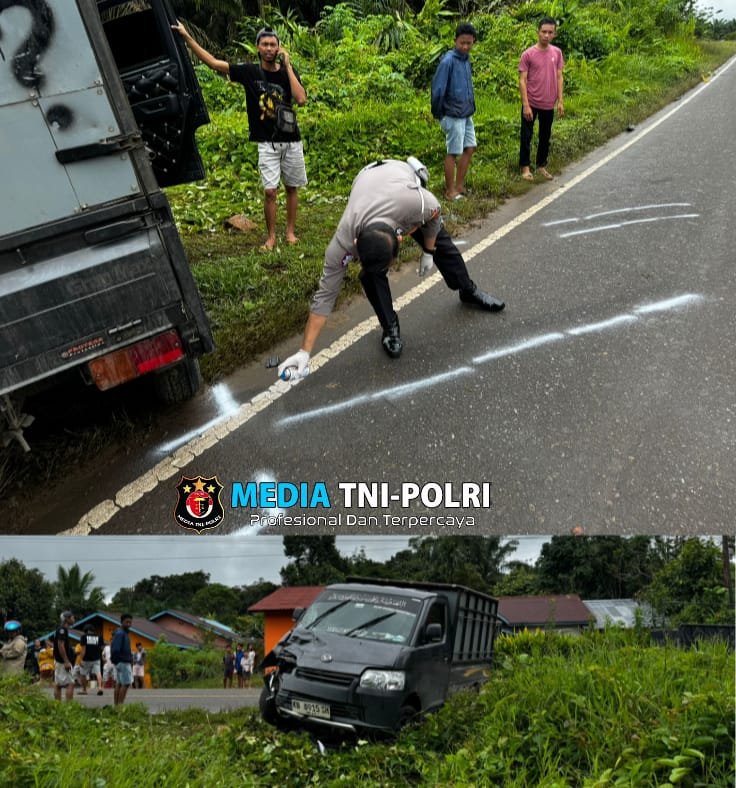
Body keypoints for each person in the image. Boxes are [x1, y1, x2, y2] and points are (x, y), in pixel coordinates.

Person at [277, 157, 504, 375]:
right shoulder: (341, 244)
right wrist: (304, 352)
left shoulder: (417, 205)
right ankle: (390, 327)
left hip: (399, 183)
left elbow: (434, 214)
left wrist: (428, 251)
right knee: (370, 276)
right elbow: (324, 297)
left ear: (402, 237)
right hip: (367, 181)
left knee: (444, 247)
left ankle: (467, 289)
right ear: (355, 245)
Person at [172, 23, 307, 250]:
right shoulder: (250, 72)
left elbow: (301, 99)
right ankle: (272, 237)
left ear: (279, 48)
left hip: (291, 140)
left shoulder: (287, 73)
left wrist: (289, 66)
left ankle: (290, 233)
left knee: (292, 187)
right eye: (264, 44)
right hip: (267, 143)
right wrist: (187, 36)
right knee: (270, 191)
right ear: (257, 47)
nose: (269, 48)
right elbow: (214, 63)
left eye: (273, 45)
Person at [431, 22, 478, 201]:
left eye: (469, 43)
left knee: (470, 147)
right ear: (455, 41)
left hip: (466, 113)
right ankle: (450, 191)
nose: (465, 47)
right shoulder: (448, 61)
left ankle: (459, 186)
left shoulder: (466, 60)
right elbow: (438, 90)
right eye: (462, 43)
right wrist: (439, 114)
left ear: (473, 41)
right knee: (453, 152)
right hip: (452, 114)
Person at [518, 16, 565, 182]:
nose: (546, 35)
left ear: (554, 34)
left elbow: (559, 77)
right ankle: (525, 167)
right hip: (531, 102)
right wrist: (526, 105)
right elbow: (522, 80)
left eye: (550, 32)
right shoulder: (528, 54)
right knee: (526, 136)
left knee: (545, 136)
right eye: (544, 32)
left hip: (548, 103)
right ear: (537, 32)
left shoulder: (557, 53)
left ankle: (541, 165)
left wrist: (560, 101)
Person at [110, 613, 134, 706]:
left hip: (120, 661)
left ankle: (116, 706)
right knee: (126, 683)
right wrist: (117, 660)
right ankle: (120, 706)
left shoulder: (121, 633)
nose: (129, 624)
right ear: (121, 622)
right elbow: (115, 649)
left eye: (130, 622)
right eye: (126, 622)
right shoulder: (121, 633)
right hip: (123, 661)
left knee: (119, 684)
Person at [52, 611, 76, 702]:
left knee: (58, 684)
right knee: (70, 683)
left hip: (59, 660)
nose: (74, 619)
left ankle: (57, 706)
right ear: (67, 619)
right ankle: (69, 707)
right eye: (72, 617)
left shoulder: (60, 629)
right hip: (62, 661)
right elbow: (60, 645)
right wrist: (66, 661)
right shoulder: (62, 630)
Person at [79, 625, 104, 696]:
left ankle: (84, 690)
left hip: (86, 659)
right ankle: (100, 688)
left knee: (83, 674)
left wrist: (80, 659)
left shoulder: (84, 637)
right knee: (98, 673)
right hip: (96, 658)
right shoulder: (99, 637)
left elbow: (83, 650)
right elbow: (102, 648)